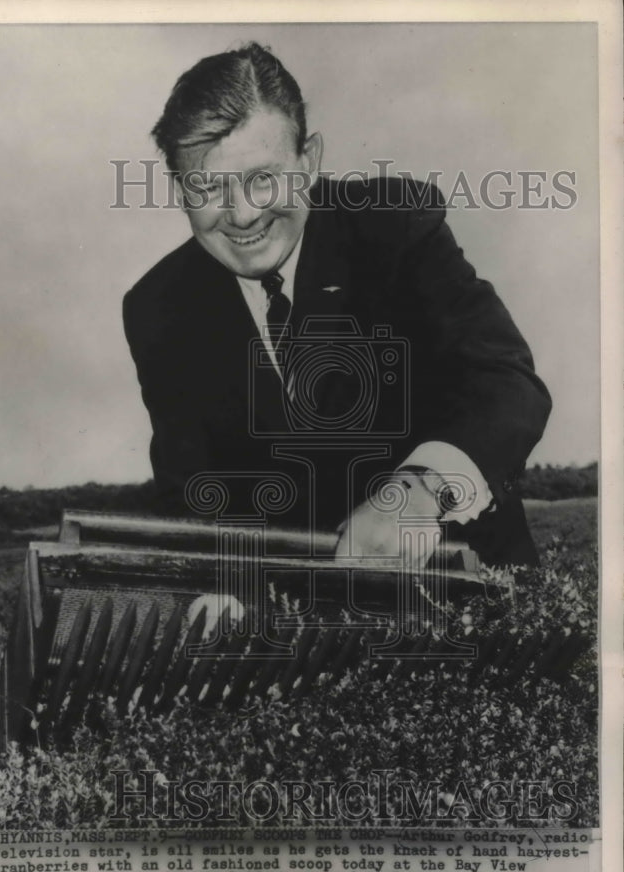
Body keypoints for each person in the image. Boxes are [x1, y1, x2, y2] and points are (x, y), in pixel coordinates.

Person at [123, 42, 551, 568]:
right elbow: (191, 494)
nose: (242, 214)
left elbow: (506, 382)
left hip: (470, 596)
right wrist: (217, 589)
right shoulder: (157, 308)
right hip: (298, 629)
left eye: (262, 178)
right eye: (208, 187)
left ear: (309, 161)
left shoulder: (394, 228)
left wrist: (420, 491)